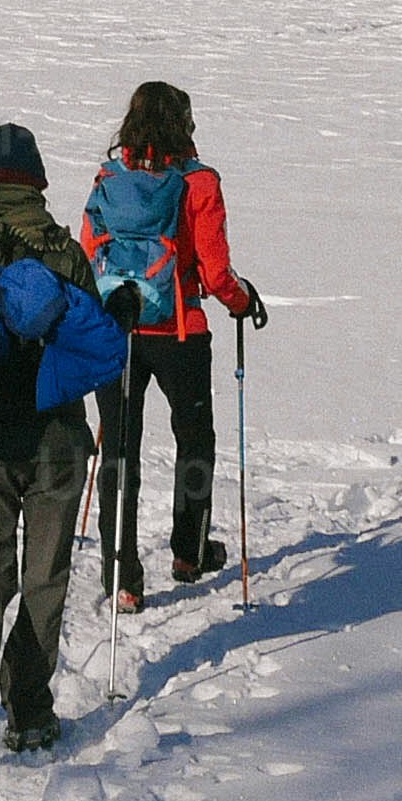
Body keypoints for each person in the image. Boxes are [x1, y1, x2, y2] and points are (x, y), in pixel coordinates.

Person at [0, 122, 134, 753]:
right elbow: (92, 342)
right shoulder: (62, 252)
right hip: (56, 443)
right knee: (45, 579)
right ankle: (30, 711)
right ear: (38, 182)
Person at [82, 80, 266, 602]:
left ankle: (122, 577)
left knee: (119, 450)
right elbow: (215, 268)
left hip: (117, 329)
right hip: (180, 331)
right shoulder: (199, 183)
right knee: (194, 438)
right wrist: (240, 300)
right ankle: (189, 551)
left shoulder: (108, 178)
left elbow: (87, 249)